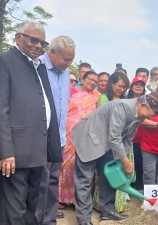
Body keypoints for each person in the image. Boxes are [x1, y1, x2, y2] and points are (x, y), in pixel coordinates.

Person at [72, 92, 158, 225]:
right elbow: (115, 137)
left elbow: (128, 139)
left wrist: (123, 160)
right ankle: (84, 220)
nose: (149, 117)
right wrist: (126, 162)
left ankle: (107, 211)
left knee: (109, 177)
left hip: (106, 143)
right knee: (85, 180)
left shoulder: (139, 115)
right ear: (143, 105)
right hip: (89, 138)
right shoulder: (122, 107)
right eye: (150, 114)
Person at [0, 21, 61, 225]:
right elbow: (1, 109)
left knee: (34, 206)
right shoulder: (5, 61)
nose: (38, 46)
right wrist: (6, 151)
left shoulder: (39, 66)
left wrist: (51, 150)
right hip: (15, 152)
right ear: (18, 38)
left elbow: (48, 107)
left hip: (38, 150)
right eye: (33, 40)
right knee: (14, 209)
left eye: (42, 43)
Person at [36, 35, 75, 224]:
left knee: (52, 182)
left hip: (58, 137)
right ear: (52, 52)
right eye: (66, 59)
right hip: (39, 137)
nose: (69, 64)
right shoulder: (37, 66)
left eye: (71, 60)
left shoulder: (65, 71)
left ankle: (49, 220)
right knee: (38, 183)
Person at [59, 71, 100, 208]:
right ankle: (62, 198)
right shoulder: (71, 92)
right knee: (66, 165)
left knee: (81, 166)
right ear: (82, 79)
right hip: (69, 133)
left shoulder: (97, 97)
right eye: (90, 79)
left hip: (86, 136)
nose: (93, 82)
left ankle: (77, 199)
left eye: (96, 81)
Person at [93, 71, 130, 212]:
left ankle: (113, 207)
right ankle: (104, 209)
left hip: (119, 144)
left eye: (124, 87)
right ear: (112, 84)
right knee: (105, 177)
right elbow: (105, 120)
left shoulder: (125, 100)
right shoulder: (104, 98)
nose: (121, 89)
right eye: (119, 86)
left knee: (116, 176)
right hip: (106, 143)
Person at [127, 77, 147, 193]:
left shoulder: (145, 101)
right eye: (136, 84)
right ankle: (128, 187)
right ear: (132, 86)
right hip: (129, 138)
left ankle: (139, 186)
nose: (139, 87)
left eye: (141, 85)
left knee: (139, 163)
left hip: (142, 138)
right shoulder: (126, 100)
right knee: (128, 162)